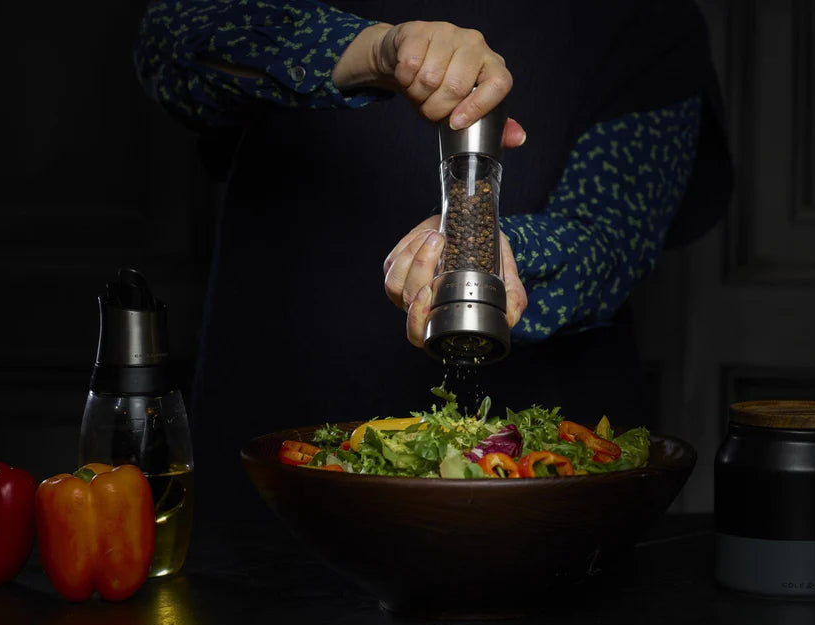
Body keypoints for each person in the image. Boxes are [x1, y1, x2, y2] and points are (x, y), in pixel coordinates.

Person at [133, 0, 732, 514]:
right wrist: (375, 51)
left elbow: (610, 237)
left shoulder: (644, 17)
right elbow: (172, 47)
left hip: (536, 499)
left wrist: (499, 256)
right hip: (279, 443)